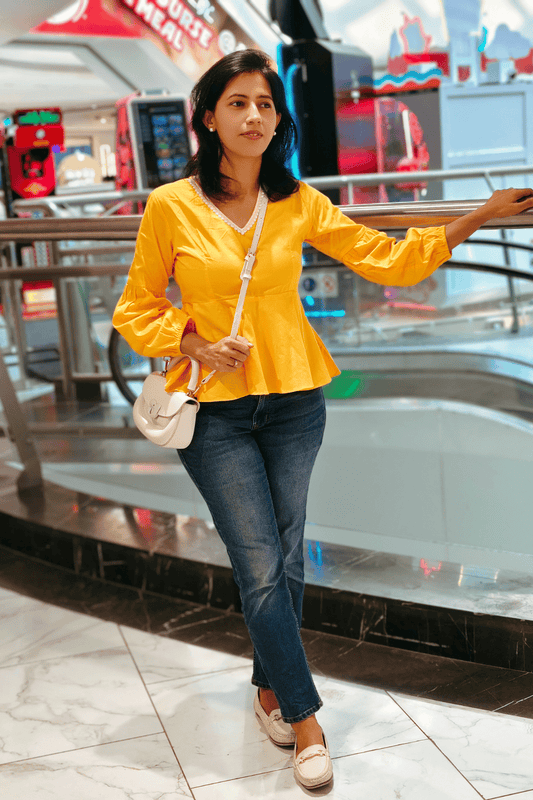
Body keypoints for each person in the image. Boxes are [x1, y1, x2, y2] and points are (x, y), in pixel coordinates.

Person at [112, 48, 533, 789]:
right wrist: (194, 343)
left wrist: (476, 217)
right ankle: (305, 721)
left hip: (296, 403)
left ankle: (269, 690)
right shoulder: (171, 206)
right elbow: (134, 307)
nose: (253, 117)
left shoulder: (296, 201)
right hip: (213, 413)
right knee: (258, 564)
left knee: (284, 553)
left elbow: (385, 260)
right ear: (207, 117)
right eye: (237, 103)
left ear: (278, 121)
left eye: (265, 105)